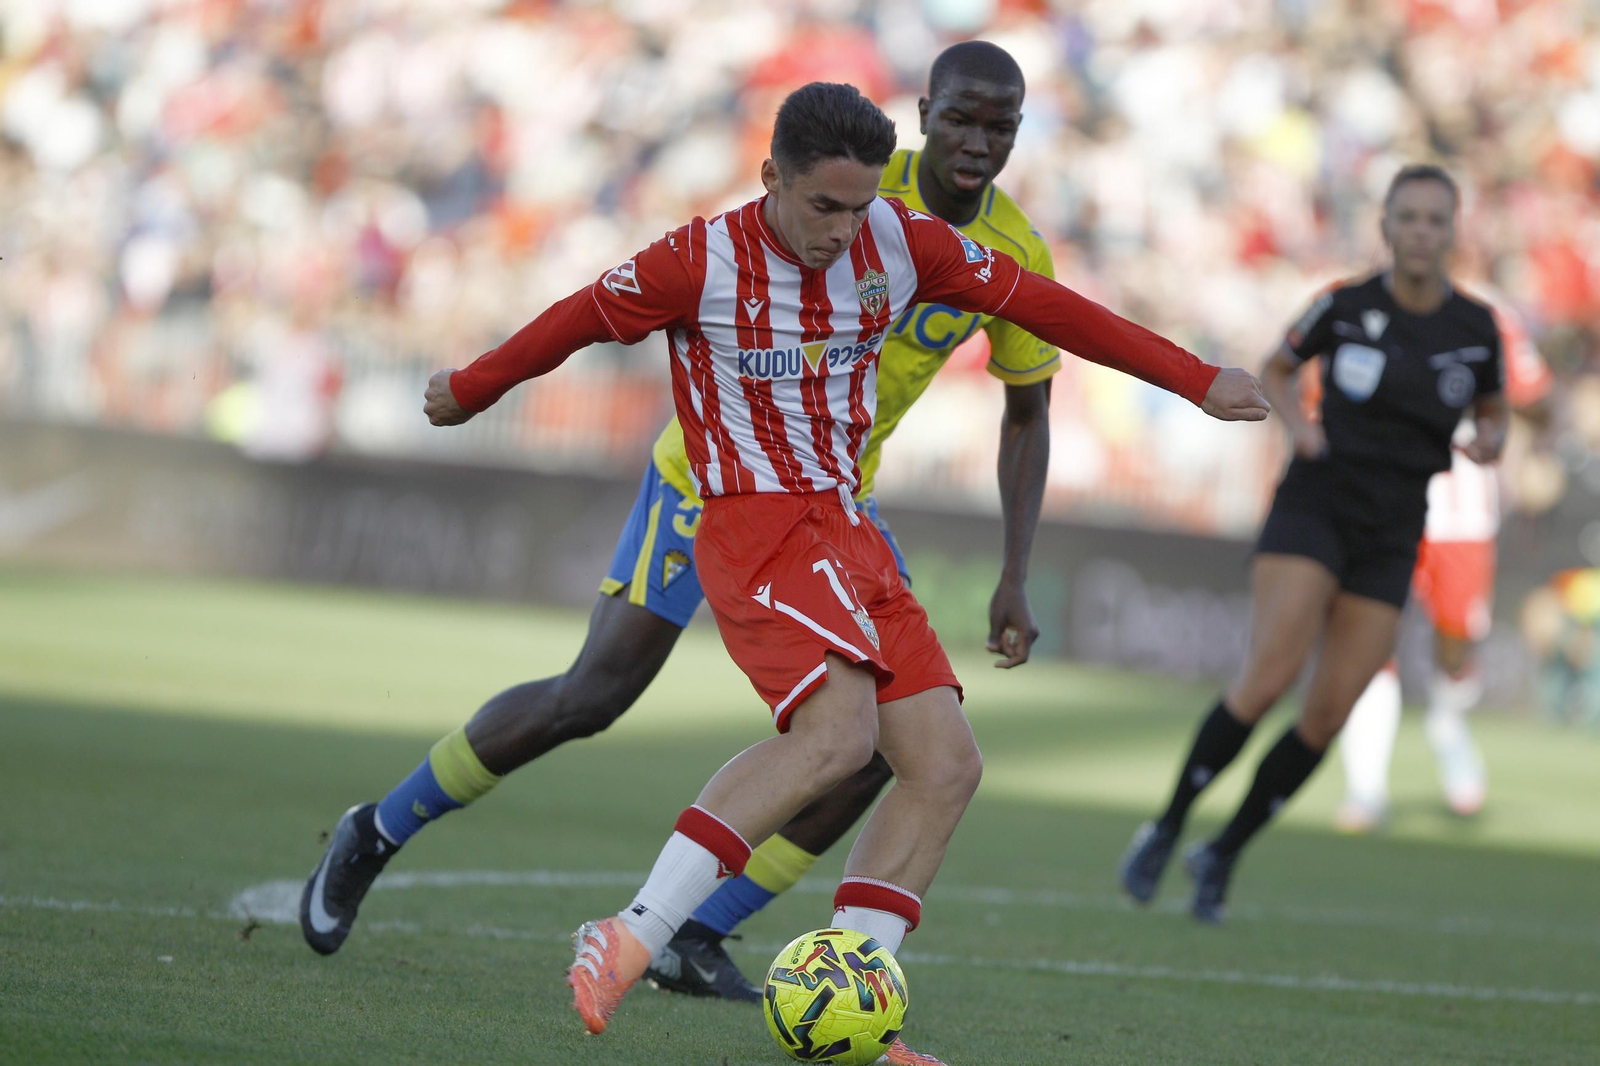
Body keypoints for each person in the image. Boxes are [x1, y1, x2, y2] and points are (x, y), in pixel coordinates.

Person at [419, 81, 1265, 1045]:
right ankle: (630, 934)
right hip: (753, 525)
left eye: (859, 207)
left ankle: (854, 1002)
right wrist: (473, 388)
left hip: (847, 525)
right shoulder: (697, 260)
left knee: (945, 766)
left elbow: (1051, 307)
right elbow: (575, 318)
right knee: (838, 739)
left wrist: (1197, 380)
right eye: (823, 206)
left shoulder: (902, 241)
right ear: (771, 175)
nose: (841, 231)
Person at [299, 41, 1057, 1010]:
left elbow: (1028, 414)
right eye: (959, 118)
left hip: (833, 503)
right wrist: (482, 380)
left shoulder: (1014, 254)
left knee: (885, 742)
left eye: (1000, 126)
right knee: (593, 695)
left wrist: (1015, 572)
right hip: (708, 480)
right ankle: (379, 827)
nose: (976, 141)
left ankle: (695, 929)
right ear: (923, 113)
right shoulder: (858, 186)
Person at [1118, 164, 1508, 923]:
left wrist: (1491, 439)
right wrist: (1301, 428)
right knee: (1268, 679)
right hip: (1316, 506)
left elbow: (1494, 408)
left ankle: (1222, 851)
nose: (1422, 231)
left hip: (1395, 530)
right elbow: (1276, 367)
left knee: (1328, 715)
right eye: (1409, 217)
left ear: (1453, 231)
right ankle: (1165, 828)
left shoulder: (1475, 328)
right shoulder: (1344, 304)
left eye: (1436, 219)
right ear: (1386, 228)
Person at [1336, 295, 1551, 830]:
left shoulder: (1488, 317)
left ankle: (1448, 726)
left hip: (1461, 508)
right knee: (1370, 636)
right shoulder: (1365, 304)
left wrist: (1505, 426)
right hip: (1384, 498)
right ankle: (1365, 788)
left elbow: (1536, 398)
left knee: (1455, 646)